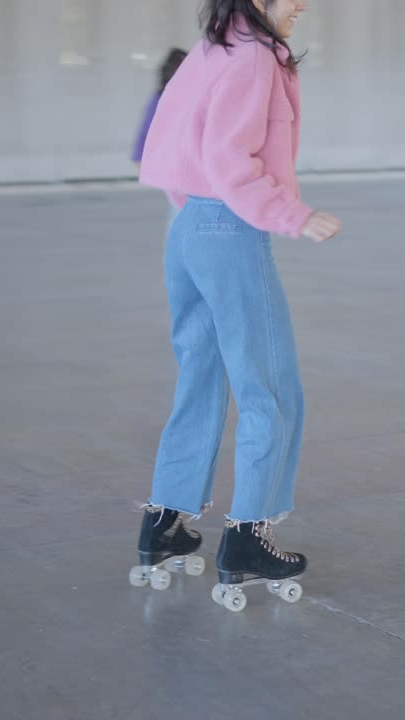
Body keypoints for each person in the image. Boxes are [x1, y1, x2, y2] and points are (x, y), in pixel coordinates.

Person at [128, 0, 341, 609]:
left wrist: (195, 214)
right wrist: (291, 215)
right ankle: (250, 533)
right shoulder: (252, 59)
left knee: (201, 377)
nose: (304, 3)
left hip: (187, 223)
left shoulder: (213, 48)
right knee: (269, 386)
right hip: (226, 227)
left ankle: (163, 525)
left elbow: (169, 145)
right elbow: (230, 159)